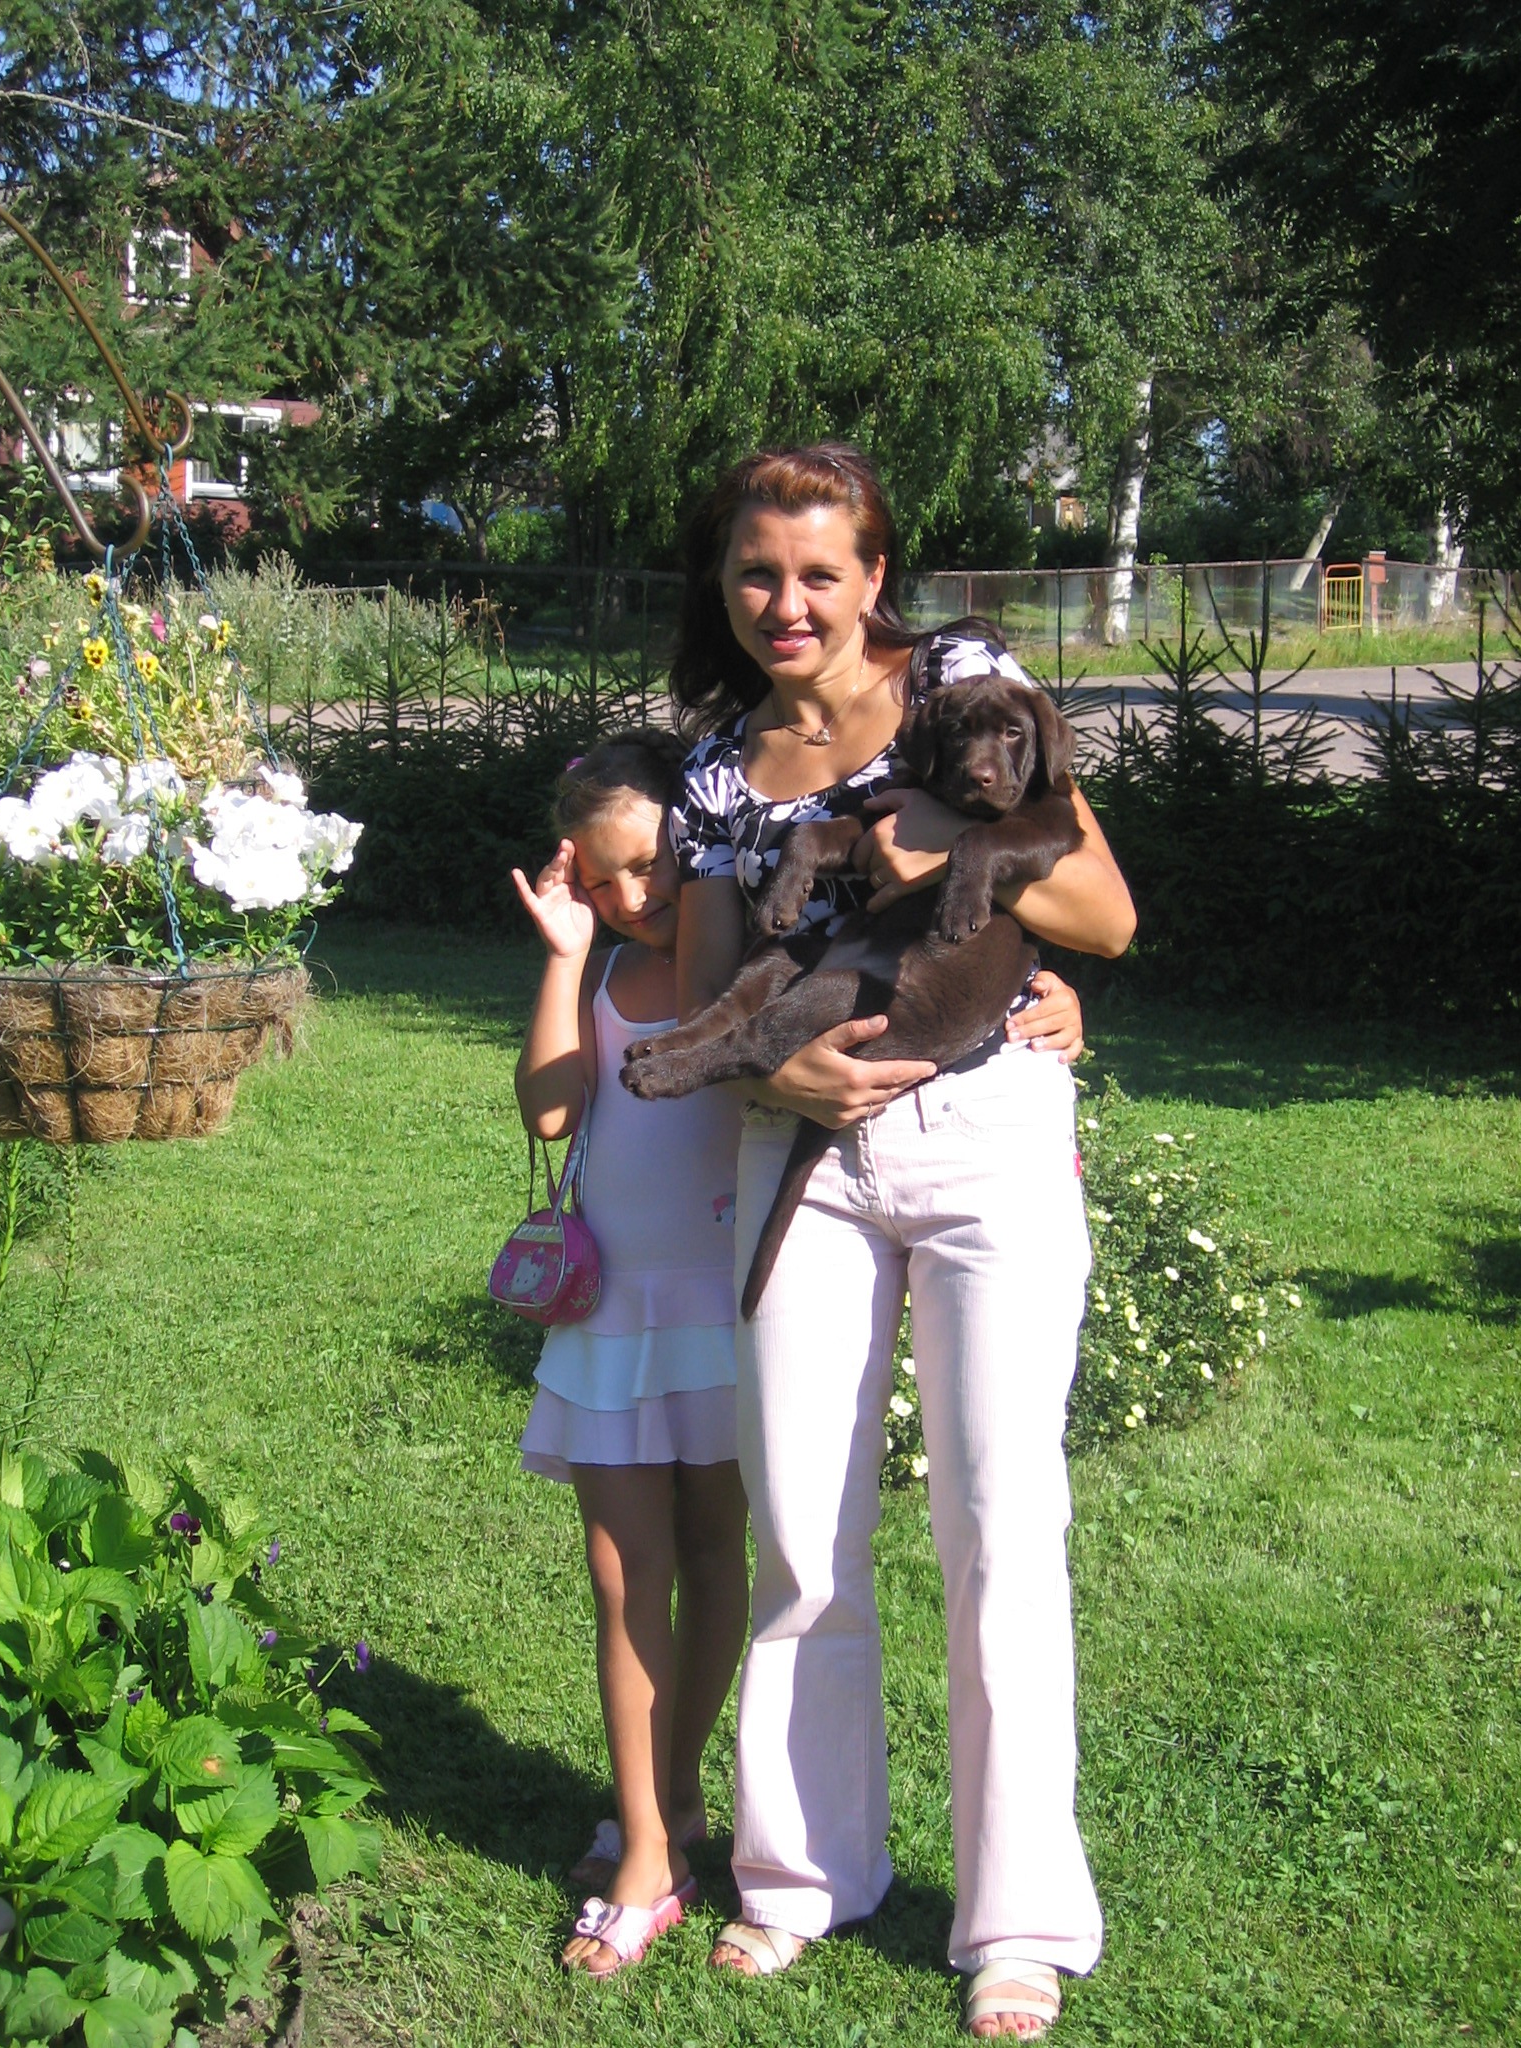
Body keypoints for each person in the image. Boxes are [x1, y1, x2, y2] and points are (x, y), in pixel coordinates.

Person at [668, 444, 1136, 2039]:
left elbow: (1104, 914)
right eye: (756, 570)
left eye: (819, 571)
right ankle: (803, 1878)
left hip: (985, 1140)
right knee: (805, 1534)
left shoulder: (962, 688)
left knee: (1004, 1528)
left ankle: (1019, 1925)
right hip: (800, 1162)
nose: (785, 601)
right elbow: (705, 990)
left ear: (876, 576)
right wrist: (771, 1069)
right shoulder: (717, 770)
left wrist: (941, 857)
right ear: (725, 581)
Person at [510, 734, 750, 1978]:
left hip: (727, 1307)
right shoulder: (603, 971)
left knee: (713, 1555)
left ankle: (676, 1794)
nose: (631, 896)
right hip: (613, 1316)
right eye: (602, 880)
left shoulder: (749, 962)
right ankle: (648, 1852)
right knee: (623, 1575)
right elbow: (551, 1110)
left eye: (651, 865)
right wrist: (565, 954)